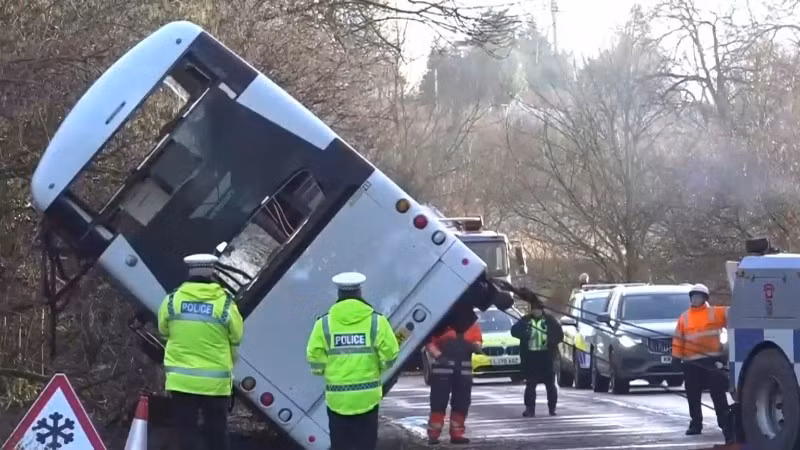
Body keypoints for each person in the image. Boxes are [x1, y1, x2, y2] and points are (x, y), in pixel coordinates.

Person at [157, 253, 243, 450]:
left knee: (186, 432)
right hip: (214, 384)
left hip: (182, 382)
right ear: (211, 274)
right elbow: (237, 337)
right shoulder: (225, 305)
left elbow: (163, 331)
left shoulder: (171, 302)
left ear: (190, 273)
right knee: (217, 434)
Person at [306, 272, 399, 450]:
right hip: (367, 398)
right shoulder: (377, 322)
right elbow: (391, 354)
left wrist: (323, 370)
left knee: (341, 445)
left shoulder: (324, 324)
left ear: (339, 294)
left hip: (337, 399)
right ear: (359, 293)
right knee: (366, 445)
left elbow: (314, 356)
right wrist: (380, 368)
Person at [672, 283, 732, 442]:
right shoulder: (684, 317)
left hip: (712, 361)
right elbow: (678, 339)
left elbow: (734, 316)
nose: (695, 299)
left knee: (718, 394)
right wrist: (676, 357)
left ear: (705, 298)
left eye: (698, 296)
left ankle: (726, 424)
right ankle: (696, 424)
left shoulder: (716, 312)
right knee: (693, 395)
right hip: (691, 363)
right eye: (693, 296)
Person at [424, 309, 483, 445]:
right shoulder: (441, 324)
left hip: (462, 373)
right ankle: (433, 435)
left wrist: (476, 347)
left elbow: (478, 341)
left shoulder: (472, 325)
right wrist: (438, 355)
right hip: (443, 372)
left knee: (461, 403)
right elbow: (429, 342)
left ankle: (457, 434)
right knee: (438, 402)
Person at [510, 292, 563, 418]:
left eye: (538, 309)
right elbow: (514, 331)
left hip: (547, 356)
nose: (536, 312)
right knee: (530, 385)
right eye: (534, 309)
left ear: (542, 310)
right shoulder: (525, 320)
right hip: (531, 357)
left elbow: (559, 335)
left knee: (550, 385)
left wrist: (551, 342)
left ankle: (552, 408)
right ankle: (530, 409)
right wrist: (525, 333)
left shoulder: (550, 320)